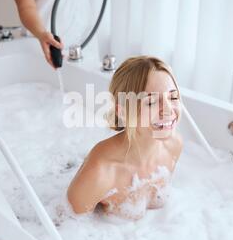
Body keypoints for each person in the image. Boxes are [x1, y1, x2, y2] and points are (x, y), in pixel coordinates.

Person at [67, 56, 184, 220]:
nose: (168, 110)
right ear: (122, 111)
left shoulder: (174, 145)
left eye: (173, 97)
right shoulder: (101, 171)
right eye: (151, 102)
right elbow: (67, 225)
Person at [4, 0, 97, 68]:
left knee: (90, 84)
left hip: (86, 41)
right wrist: (42, 33)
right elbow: (26, 7)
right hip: (49, 47)